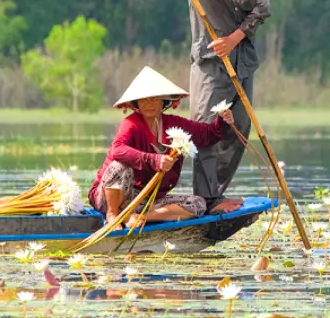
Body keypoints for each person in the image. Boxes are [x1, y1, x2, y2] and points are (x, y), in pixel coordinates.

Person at [124, 0, 268, 213]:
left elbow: (262, 8)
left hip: (243, 59)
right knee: (204, 131)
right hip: (207, 63)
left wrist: (234, 39)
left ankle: (216, 193)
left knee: (239, 129)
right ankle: (206, 199)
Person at [88, 67, 240, 226]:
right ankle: (113, 215)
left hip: (146, 201)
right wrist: (154, 160)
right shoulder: (130, 124)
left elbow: (208, 135)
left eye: (154, 98)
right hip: (110, 197)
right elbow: (117, 149)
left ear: (163, 101)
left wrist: (222, 120)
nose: (149, 104)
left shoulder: (174, 124)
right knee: (118, 166)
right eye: (144, 99)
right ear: (136, 103)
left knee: (198, 204)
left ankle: (141, 218)